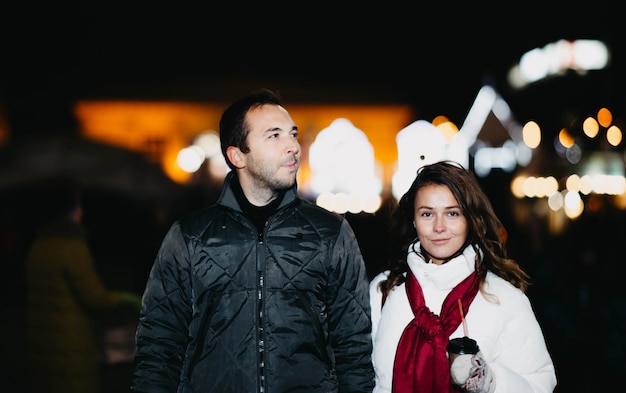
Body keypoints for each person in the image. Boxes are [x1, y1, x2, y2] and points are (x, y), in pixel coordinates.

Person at [131, 88, 375, 392]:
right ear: (237, 155)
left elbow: (354, 346)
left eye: (292, 134)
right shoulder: (190, 236)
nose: (293, 146)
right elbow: (160, 345)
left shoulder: (331, 232)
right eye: (274, 136)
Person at [369, 161, 556, 393]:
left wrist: (491, 381)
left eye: (452, 213)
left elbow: (540, 384)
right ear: (414, 221)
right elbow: (364, 379)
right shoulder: (384, 290)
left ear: (469, 219)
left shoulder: (503, 298)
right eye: (427, 214)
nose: (439, 226)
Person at [24, 177, 142, 393]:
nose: (82, 212)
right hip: (69, 347)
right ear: (70, 211)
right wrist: (126, 298)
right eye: (78, 206)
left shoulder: (39, 246)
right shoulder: (72, 247)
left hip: (43, 347)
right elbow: (94, 297)